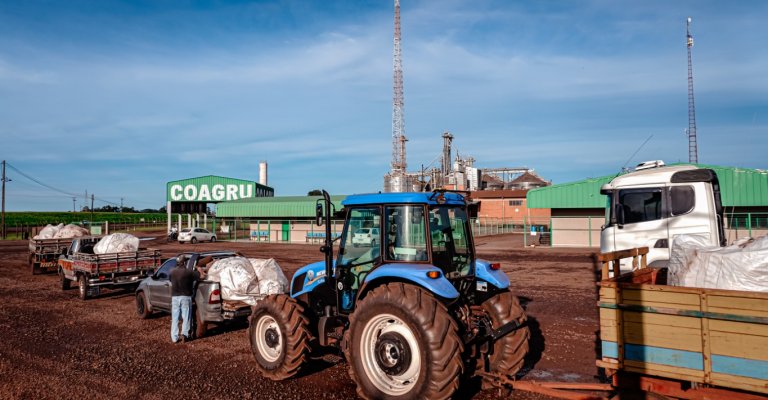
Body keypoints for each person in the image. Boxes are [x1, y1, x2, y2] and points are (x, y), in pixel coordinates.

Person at [169, 255, 205, 343]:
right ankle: (185, 334)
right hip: (186, 297)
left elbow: (170, 280)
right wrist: (200, 269)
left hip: (175, 298)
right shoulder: (189, 272)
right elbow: (202, 277)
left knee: (175, 318)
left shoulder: (172, 272)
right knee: (186, 317)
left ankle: (174, 338)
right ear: (184, 262)